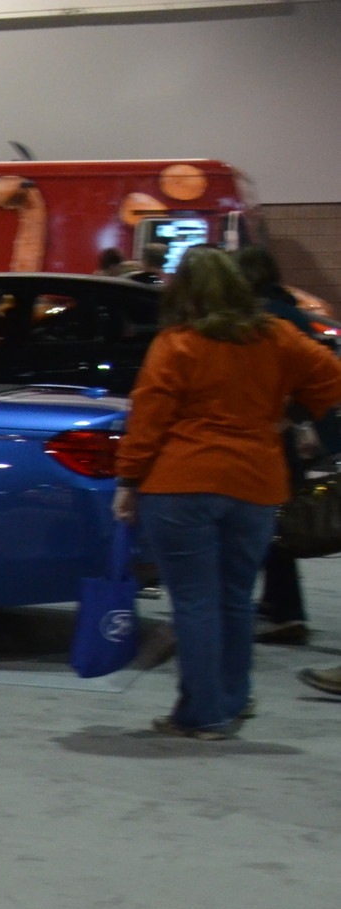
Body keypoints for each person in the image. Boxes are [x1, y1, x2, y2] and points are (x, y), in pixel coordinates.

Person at [113, 246, 341, 738]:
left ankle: (202, 713)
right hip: (255, 485)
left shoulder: (177, 343)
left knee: (194, 603)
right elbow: (331, 378)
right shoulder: (277, 335)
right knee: (236, 601)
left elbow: (148, 418)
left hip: (181, 484)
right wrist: (292, 413)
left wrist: (129, 480)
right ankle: (230, 703)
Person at [237, 244, 328, 644]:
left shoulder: (271, 321)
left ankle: (288, 615)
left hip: (277, 440)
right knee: (277, 522)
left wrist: (291, 417)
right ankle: (278, 604)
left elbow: (324, 376)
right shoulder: (288, 311)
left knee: (275, 525)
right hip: (288, 436)